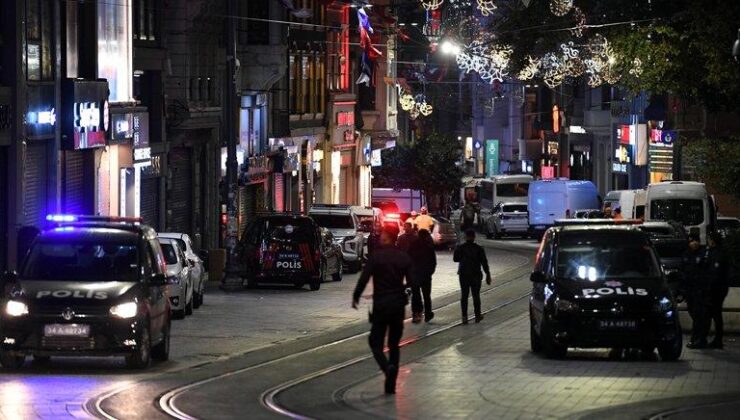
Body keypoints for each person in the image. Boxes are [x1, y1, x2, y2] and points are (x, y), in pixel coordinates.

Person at [352, 228, 411, 395]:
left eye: (382, 235)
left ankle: (387, 368)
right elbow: (412, 281)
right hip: (398, 305)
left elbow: (364, 277)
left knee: (375, 342)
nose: (380, 238)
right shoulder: (403, 257)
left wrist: (356, 296)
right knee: (394, 344)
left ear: (387, 238)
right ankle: (390, 386)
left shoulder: (376, 256)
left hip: (381, 305)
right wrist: (403, 290)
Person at [453, 229, 492, 324]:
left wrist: (457, 250)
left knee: (464, 296)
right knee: (476, 295)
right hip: (476, 274)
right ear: (474, 237)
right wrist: (488, 274)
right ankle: (477, 315)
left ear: (465, 237)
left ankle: (464, 317)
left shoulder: (460, 247)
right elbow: (484, 262)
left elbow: (455, 259)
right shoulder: (479, 248)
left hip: (463, 274)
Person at [684, 232, 709, 349]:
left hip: (699, 289)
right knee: (693, 312)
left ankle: (697, 338)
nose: (693, 243)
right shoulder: (687, 254)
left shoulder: (703, 254)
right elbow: (683, 270)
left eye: (695, 241)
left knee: (698, 314)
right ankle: (698, 337)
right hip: (690, 289)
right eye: (691, 241)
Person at [705, 232, 729, 349]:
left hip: (717, 289)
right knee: (715, 313)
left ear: (713, 241)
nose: (708, 241)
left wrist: (709, 288)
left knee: (715, 314)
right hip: (718, 288)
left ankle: (717, 339)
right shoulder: (714, 252)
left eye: (710, 239)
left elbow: (715, 273)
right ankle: (715, 339)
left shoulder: (718, 254)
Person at [409, 229, 437, 323]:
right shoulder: (428, 246)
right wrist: (430, 272)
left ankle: (416, 313)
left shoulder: (413, 245)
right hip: (425, 275)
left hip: (415, 274)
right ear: (426, 236)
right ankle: (428, 314)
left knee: (415, 295)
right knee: (426, 296)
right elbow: (433, 261)